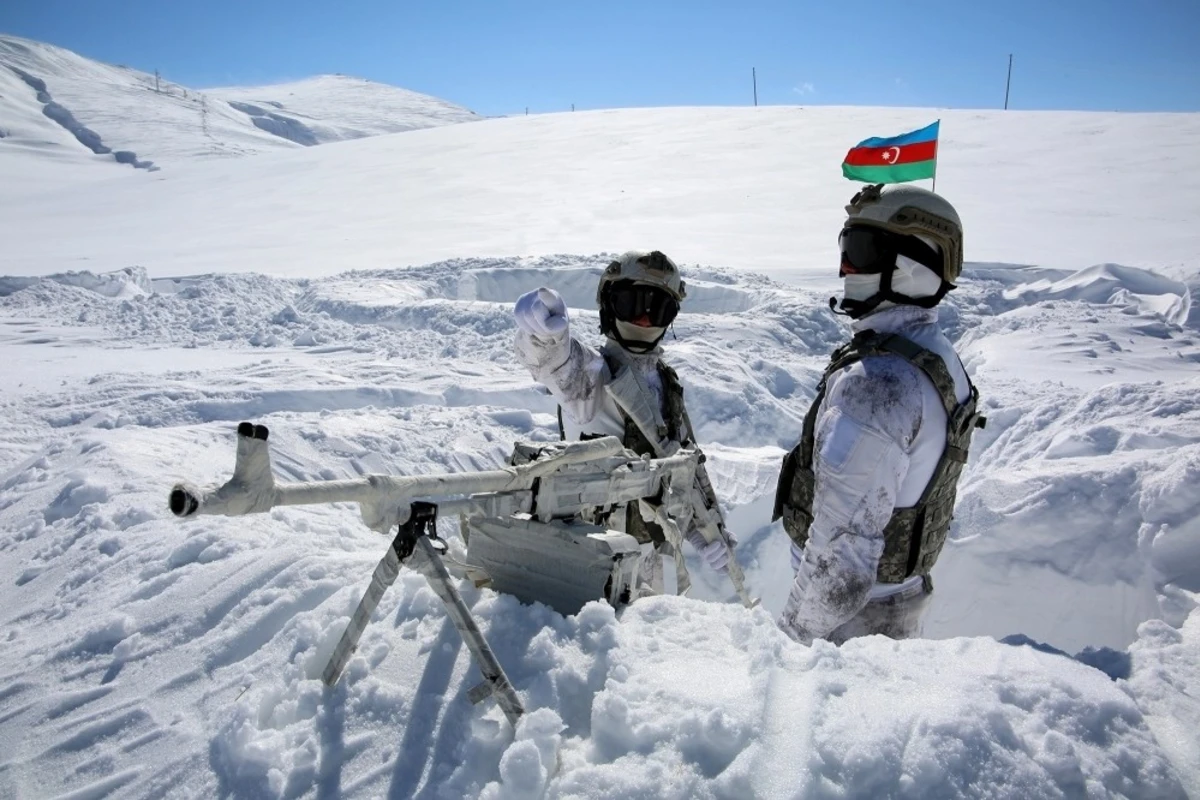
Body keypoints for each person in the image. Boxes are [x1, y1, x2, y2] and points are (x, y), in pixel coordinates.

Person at [772, 183, 986, 645]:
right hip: (896, 603)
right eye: (846, 248)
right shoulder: (937, 358)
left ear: (914, 265)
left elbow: (839, 567)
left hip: (846, 625)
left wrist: (788, 643)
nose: (846, 267)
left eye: (862, 251)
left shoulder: (878, 384)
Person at [512, 250, 739, 596]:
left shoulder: (666, 382)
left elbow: (686, 463)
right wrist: (542, 336)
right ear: (609, 304)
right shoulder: (593, 379)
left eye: (658, 308)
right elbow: (558, 363)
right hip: (597, 561)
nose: (646, 319)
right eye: (633, 302)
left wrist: (706, 530)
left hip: (657, 555)